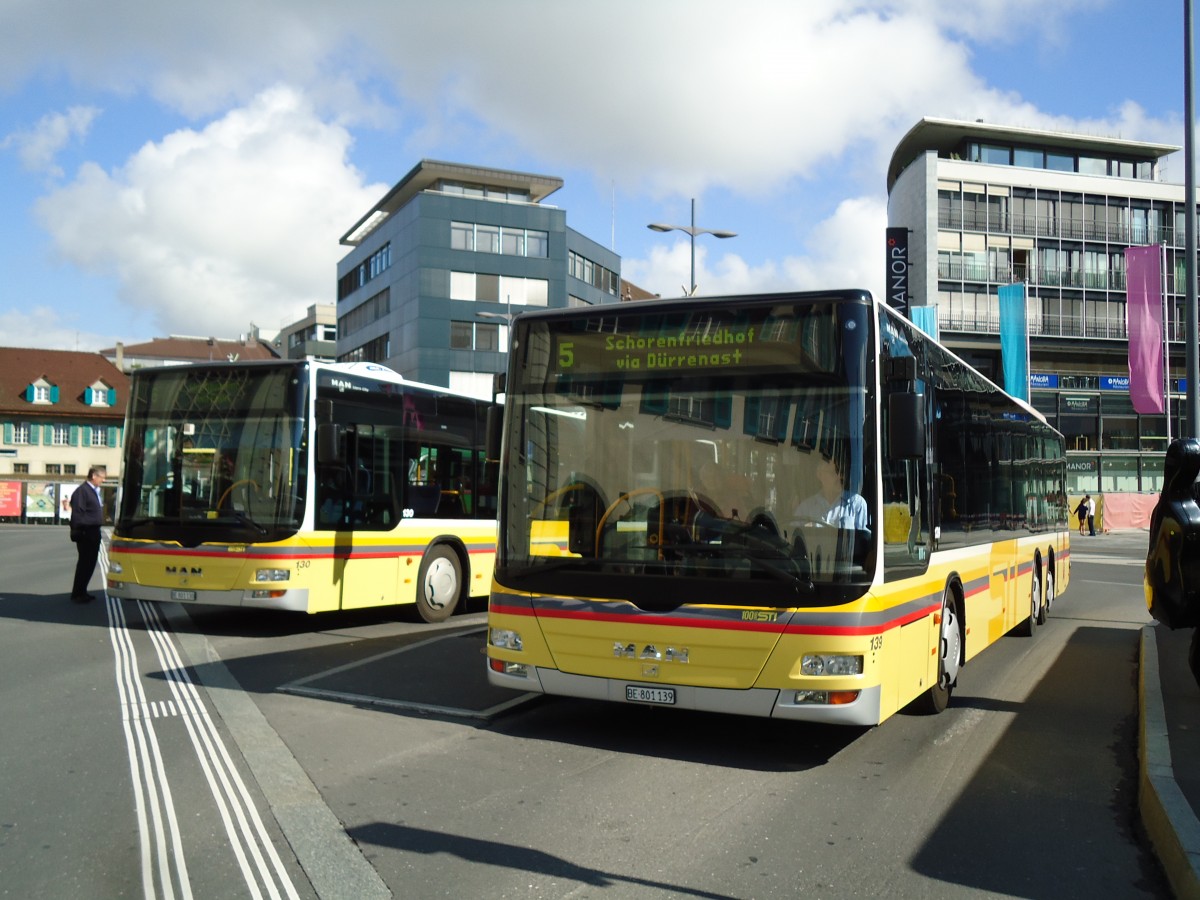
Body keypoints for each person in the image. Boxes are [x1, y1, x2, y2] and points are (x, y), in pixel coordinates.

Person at [792, 454, 870, 536]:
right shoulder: (805, 509)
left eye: (841, 472)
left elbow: (864, 539)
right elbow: (792, 536)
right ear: (819, 474)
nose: (839, 477)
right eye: (834, 472)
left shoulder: (857, 504)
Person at [69, 467, 106, 602]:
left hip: (93, 531)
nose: (103, 480)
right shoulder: (83, 491)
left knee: (90, 563)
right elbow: (77, 513)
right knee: (85, 563)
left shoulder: (93, 491)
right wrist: (78, 530)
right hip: (86, 531)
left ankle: (82, 591)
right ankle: (78, 593)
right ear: (94, 476)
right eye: (102, 477)